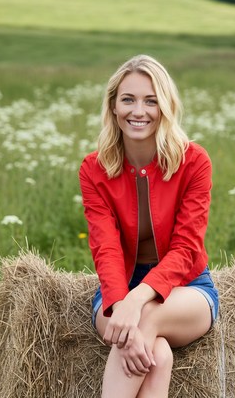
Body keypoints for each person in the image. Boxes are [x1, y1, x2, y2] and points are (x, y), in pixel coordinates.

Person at [79, 54, 219, 398]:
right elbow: (105, 247)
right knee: (156, 355)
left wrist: (136, 301)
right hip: (117, 288)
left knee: (145, 321)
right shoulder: (93, 169)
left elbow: (187, 248)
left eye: (150, 100)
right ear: (113, 106)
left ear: (165, 107)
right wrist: (119, 300)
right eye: (128, 99)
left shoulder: (194, 162)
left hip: (186, 288)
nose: (138, 111)